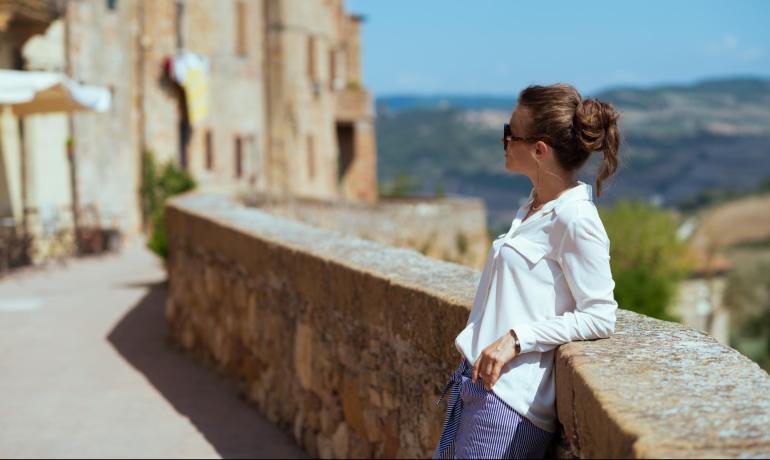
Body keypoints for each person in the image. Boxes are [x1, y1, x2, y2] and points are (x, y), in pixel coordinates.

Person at [432, 83, 622, 459]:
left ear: (539, 150)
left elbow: (600, 315)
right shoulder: (534, 206)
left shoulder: (576, 219)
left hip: (509, 405)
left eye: (510, 133)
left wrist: (517, 338)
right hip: (479, 388)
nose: (503, 140)